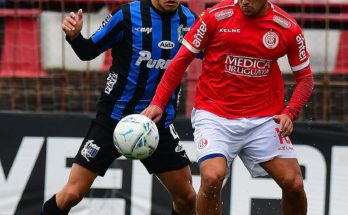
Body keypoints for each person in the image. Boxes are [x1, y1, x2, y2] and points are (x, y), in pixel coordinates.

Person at [142, 0, 314, 214]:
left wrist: (290, 112)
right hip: (215, 115)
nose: (244, 2)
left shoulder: (287, 27)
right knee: (212, 177)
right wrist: (158, 102)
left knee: (294, 184)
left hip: (263, 119)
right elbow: (181, 60)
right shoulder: (214, 17)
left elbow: (305, 79)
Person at [41, 0, 198, 214]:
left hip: (158, 123)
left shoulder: (190, 21)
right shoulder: (126, 15)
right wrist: (75, 36)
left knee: (188, 199)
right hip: (114, 119)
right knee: (72, 194)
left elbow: (214, 54)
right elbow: (87, 52)